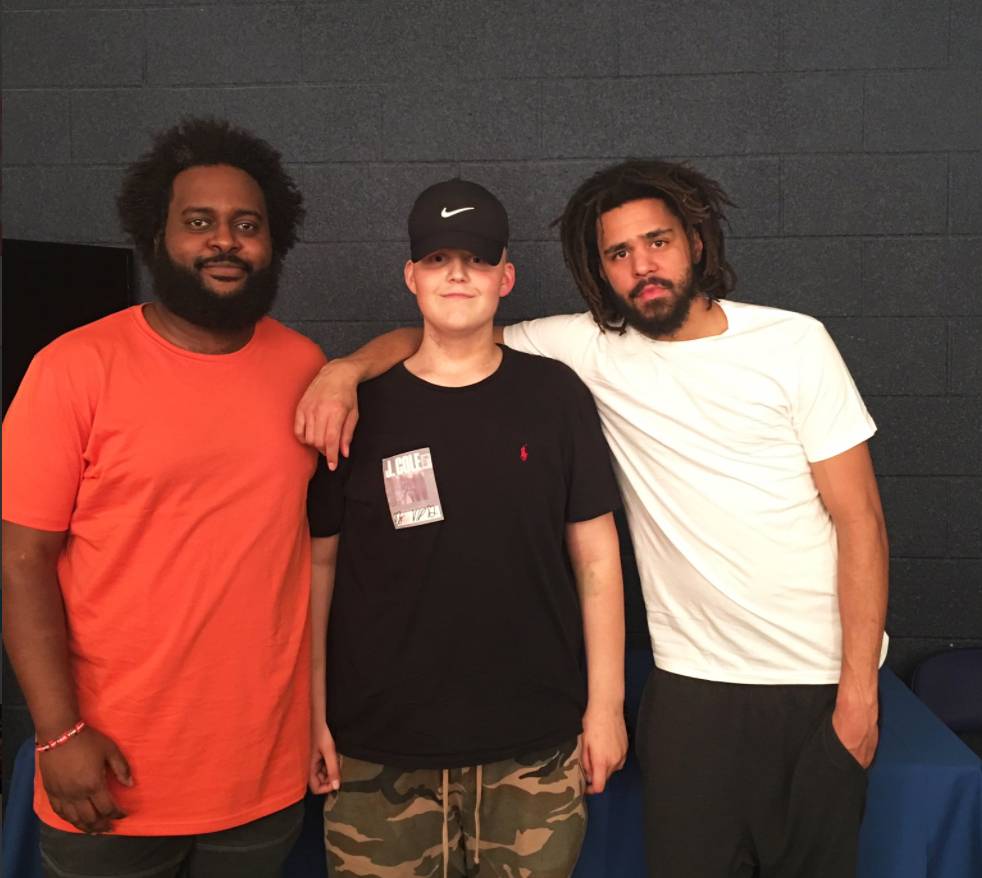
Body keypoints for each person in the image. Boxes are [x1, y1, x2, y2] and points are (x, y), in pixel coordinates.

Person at [295, 159, 890, 878]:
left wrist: (859, 693)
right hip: (689, 680)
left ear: (696, 242)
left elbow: (861, 521)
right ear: (599, 269)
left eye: (658, 241)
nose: (642, 265)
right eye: (619, 253)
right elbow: (442, 335)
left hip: (813, 674)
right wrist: (345, 370)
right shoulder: (588, 349)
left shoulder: (792, 343)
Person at [2, 118, 326, 878]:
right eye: (199, 222)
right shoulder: (73, 368)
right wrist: (57, 733)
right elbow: (21, 562)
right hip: (107, 777)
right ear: (157, 235)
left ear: (273, 241)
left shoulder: (306, 367)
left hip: (261, 776)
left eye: (248, 225)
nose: (226, 241)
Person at [305, 179, 627, 878]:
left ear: (505, 277)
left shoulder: (554, 396)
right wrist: (312, 711)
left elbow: (598, 558)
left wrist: (607, 706)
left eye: (478, 259)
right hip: (377, 750)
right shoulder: (356, 408)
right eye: (439, 259)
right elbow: (318, 567)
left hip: (533, 747)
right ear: (411, 276)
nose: (458, 274)